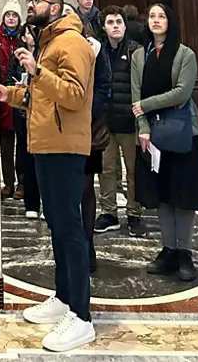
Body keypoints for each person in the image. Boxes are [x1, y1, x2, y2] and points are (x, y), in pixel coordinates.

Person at [0, 0, 96, 352]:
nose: (30, 4)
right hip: (46, 143)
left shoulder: (72, 43)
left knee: (70, 228)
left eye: (36, 0)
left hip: (66, 146)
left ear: (55, 8)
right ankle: (64, 297)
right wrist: (12, 94)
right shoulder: (49, 43)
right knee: (55, 223)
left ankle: (82, 317)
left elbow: (75, 95)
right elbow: (42, 95)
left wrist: (37, 70)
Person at [131, 3, 198, 282]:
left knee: (183, 197)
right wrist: (142, 126)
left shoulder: (184, 54)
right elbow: (135, 97)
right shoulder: (139, 56)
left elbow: (181, 93)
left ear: (170, 21)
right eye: (151, 16)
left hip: (181, 133)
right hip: (152, 134)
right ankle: (168, 249)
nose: (156, 20)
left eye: (161, 16)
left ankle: (185, 252)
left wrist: (146, 105)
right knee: (162, 196)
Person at [96, 6, 146, 237]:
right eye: (110, 22)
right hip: (106, 121)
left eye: (118, 22)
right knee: (107, 170)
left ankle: (134, 212)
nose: (115, 26)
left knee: (133, 170)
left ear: (125, 26)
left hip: (130, 121)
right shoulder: (99, 51)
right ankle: (109, 212)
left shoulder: (136, 50)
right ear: (104, 27)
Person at [80, 14, 113, 273]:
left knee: (85, 187)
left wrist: (88, 111)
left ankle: (88, 243)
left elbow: (104, 85)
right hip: (58, 128)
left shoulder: (95, 48)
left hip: (88, 127)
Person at [0, 0, 25, 199]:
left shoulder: (24, 38)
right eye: (8, 15)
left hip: (19, 95)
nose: (11, 19)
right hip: (1, 96)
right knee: (6, 142)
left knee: (23, 142)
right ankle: (8, 181)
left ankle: (22, 181)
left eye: (14, 16)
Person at [6, 24, 42, 219]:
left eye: (34, 32)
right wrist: (18, 87)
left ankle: (46, 202)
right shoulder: (18, 57)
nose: (31, 36)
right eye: (27, 32)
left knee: (44, 161)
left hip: (43, 114)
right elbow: (9, 81)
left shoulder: (45, 54)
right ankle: (32, 203)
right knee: (26, 158)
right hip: (23, 114)